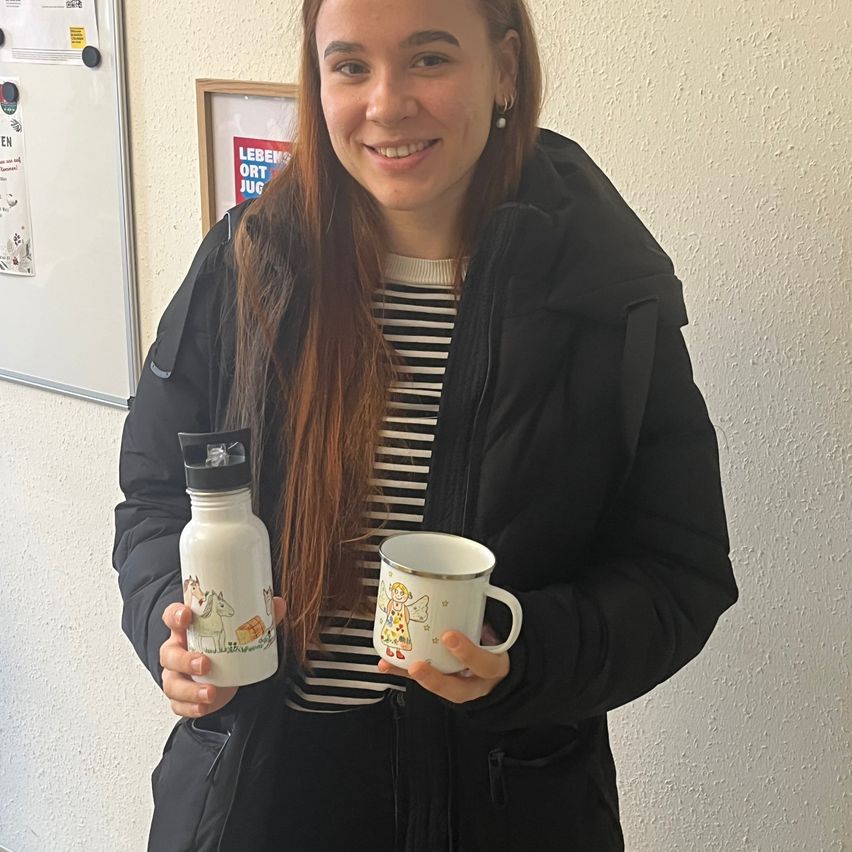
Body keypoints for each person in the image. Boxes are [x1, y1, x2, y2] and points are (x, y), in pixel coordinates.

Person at [112, 0, 738, 849]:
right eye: (350, 66)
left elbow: (679, 571)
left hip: (502, 807)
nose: (386, 104)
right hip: (258, 800)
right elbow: (154, 500)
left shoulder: (604, 291)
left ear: (505, 68)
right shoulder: (246, 263)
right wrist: (171, 629)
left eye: (430, 59)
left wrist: (522, 654)